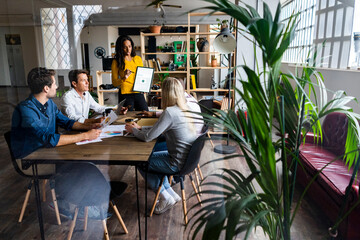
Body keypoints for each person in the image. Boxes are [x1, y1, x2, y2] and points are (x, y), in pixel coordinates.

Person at [125, 77, 198, 214]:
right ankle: (170, 193)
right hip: (187, 160)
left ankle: (165, 197)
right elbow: (156, 131)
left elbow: (148, 138)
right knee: (151, 156)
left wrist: (133, 130)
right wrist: (140, 129)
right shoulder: (184, 108)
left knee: (141, 161)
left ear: (166, 93)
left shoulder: (170, 112)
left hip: (176, 162)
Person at [11, 67, 102, 159]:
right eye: (54, 84)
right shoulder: (25, 110)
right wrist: (85, 135)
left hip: (48, 148)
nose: (56, 87)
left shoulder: (49, 103)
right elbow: (48, 139)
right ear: (46, 88)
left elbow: (66, 122)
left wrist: (90, 126)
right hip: (32, 154)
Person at [61, 69, 127, 123]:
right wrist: (94, 121)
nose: (87, 83)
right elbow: (72, 118)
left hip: (84, 127)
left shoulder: (86, 94)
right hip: (71, 131)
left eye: (87, 80)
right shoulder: (68, 97)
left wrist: (114, 111)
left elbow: (98, 108)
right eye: (84, 80)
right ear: (74, 84)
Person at [111, 35, 148, 111]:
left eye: (130, 46)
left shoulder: (138, 59)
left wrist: (144, 86)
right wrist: (124, 77)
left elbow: (142, 76)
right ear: (120, 48)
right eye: (125, 47)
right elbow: (114, 83)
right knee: (127, 117)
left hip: (138, 91)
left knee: (145, 113)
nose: (128, 50)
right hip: (125, 94)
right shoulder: (116, 62)